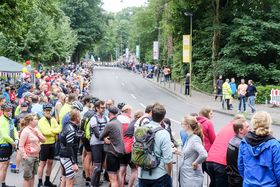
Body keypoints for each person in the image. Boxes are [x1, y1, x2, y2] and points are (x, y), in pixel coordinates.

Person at [238, 111, 280, 186]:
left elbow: (241, 167)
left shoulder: (244, 142)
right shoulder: (274, 145)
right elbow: (278, 172)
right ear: (269, 124)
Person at [206, 114, 246, 187]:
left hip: (210, 160)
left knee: (213, 183)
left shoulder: (225, 127)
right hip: (221, 162)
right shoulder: (237, 130)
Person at [138, 104, 173, 187]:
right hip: (159, 175)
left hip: (143, 174)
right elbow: (167, 159)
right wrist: (168, 174)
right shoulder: (164, 133)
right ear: (163, 117)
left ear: (151, 114)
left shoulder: (141, 130)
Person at [177, 116, 208, 187]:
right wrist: (178, 152)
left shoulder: (194, 139)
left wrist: (196, 163)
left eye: (182, 124)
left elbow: (204, 154)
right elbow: (189, 154)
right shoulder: (190, 137)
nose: (181, 126)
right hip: (186, 176)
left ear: (187, 126)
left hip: (191, 177)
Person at [100, 106, 125, 187]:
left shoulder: (110, 124)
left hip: (112, 153)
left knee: (112, 178)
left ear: (109, 113)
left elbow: (100, 136)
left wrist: (104, 137)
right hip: (119, 152)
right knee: (117, 175)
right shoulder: (118, 122)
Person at [19, 114, 46, 187]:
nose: (37, 120)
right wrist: (25, 156)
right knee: (27, 178)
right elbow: (20, 145)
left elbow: (44, 140)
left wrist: (37, 134)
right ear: (30, 121)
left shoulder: (36, 129)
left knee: (33, 176)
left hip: (36, 156)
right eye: (35, 119)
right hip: (28, 157)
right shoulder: (26, 131)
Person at [37, 103, 61, 187]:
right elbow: (45, 132)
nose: (48, 112)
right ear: (43, 111)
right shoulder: (41, 121)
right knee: (42, 163)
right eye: (46, 110)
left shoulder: (53, 119)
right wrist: (54, 132)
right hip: (44, 144)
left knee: (50, 162)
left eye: (49, 110)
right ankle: (39, 182)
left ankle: (47, 181)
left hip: (52, 143)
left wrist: (52, 131)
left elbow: (59, 128)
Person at [59, 109, 81, 187]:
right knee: (70, 180)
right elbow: (69, 147)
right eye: (79, 116)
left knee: (64, 178)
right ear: (76, 117)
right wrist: (74, 163)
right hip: (67, 157)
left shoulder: (67, 125)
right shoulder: (71, 130)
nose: (80, 118)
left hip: (63, 155)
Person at [90, 100, 108, 186]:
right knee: (97, 167)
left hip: (103, 144)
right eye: (102, 108)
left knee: (100, 167)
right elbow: (97, 134)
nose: (103, 109)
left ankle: (96, 184)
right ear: (97, 108)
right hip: (96, 144)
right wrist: (105, 138)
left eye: (104, 108)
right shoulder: (93, 118)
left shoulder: (105, 118)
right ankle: (93, 185)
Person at [226, 119, 250, 187]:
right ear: (240, 130)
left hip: (232, 178)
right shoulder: (241, 145)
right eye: (247, 127)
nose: (250, 129)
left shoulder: (232, 141)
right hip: (239, 180)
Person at [0, 103, 19, 187]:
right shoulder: (2, 120)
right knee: (3, 166)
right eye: (7, 111)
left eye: (10, 110)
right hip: (4, 145)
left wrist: (17, 139)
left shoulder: (9, 119)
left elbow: (14, 129)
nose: (9, 112)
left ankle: (3, 183)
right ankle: (2, 184)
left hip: (9, 145)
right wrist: (13, 142)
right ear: (3, 111)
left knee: (6, 164)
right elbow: (4, 135)